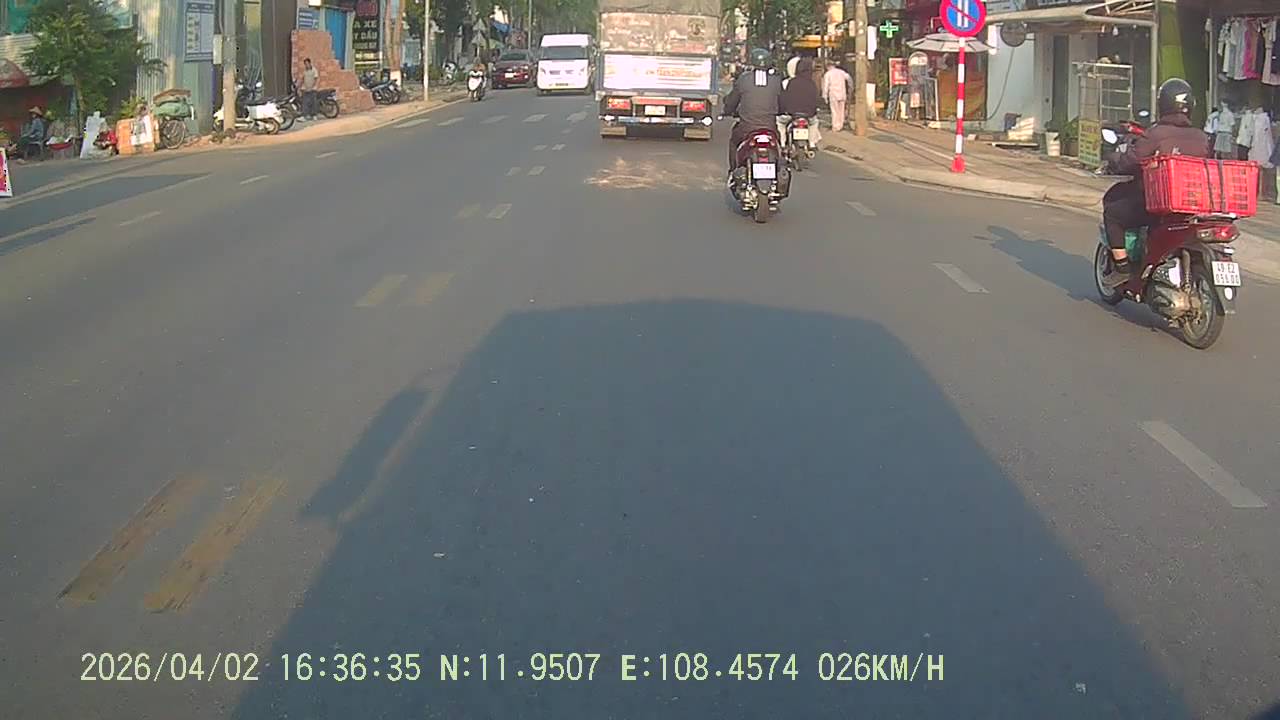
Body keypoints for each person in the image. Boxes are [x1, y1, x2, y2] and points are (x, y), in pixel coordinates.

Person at [1101, 78, 1213, 286]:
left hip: (1156, 203)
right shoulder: (1201, 137)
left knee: (1112, 210)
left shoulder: (1155, 134)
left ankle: (1122, 267)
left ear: (1163, 104)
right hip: (1192, 203)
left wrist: (1112, 158)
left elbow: (1129, 162)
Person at [722, 47, 783, 176]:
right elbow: (783, 102)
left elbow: (732, 101)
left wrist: (727, 111)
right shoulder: (776, 80)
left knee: (734, 141)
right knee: (779, 144)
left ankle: (733, 170)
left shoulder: (744, 79)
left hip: (746, 129)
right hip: (770, 128)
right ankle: (779, 168)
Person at [779, 57, 823, 147]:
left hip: (791, 113)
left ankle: (782, 143)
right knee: (814, 123)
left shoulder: (791, 82)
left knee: (780, 123)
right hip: (808, 114)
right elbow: (816, 99)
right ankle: (812, 143)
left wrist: (782, 110)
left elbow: (785, 98)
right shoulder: (811, 83)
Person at [823, 61, 853, 132]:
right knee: (841, 110)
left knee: (834, 110)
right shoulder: (841, 72)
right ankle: (840, 125)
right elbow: (849, 78)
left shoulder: (828, 74)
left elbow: (825, 86)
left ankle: (835, 126)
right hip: (842, 93)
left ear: (828, 67)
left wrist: (825, 96)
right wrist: (851, 86)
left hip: (833, 94)